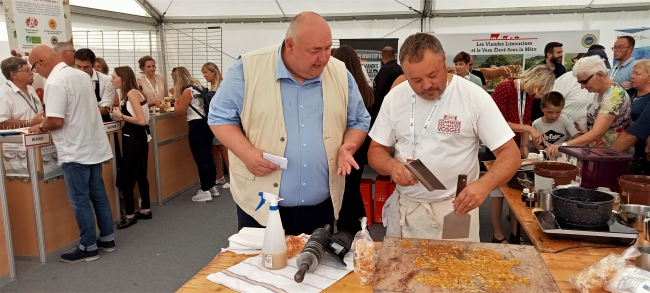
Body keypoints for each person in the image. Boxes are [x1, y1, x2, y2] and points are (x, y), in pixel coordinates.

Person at [208, 12, 371, 236]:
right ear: (290, 45)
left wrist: (348, 146)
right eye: (315, 50)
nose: (324, 58)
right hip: (260, 208)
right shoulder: (247, 69)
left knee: (314, 268)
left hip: (321, 208)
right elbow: (219, 117)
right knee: (260, 269)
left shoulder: (340, 72)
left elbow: (360, 120)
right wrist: (246, 153)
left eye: (327, 48)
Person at [367, 33, 520, 241]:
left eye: (433, 75)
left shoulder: (473, 97)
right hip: (408, 209)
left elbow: (510, 153)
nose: (426, 86)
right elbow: (376, 151)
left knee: (456, 268)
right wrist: (392, 167)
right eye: (416, 80)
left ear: (444, 60)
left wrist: (485, 185)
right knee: (405, 271)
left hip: (455, 209)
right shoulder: (395, 97)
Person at [27, 45, 115, 262]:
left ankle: (88, 247)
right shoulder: (81, 76)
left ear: (40, 62)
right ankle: (107, 239)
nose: (36, 73)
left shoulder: (55, 82)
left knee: (80, 200)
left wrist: (39, 127)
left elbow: (56, 120)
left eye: (34, 68)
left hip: (75, 150)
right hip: (92, 146)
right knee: (99, 196)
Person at [490, 64, 554, 244]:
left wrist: (524, 144)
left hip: (515, 143)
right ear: (535, 82)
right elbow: (498, 123)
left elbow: (524, 119)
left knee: (516, 190)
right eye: (541, 89)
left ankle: (515, 233)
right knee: (498, 190)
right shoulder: (505, 88)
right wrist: (528, 129)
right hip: (498, 143)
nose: (539, 94)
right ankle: (497, 234)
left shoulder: (528, 94)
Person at [547, 56, 633, 157]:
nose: (582, 86)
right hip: (599, 153)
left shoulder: (614, 96)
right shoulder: (600, 92)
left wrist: (563, 145)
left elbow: (597, 132)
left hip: (612, 156)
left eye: (584, 82)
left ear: (600, 75)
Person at [332, 45, 374, 236]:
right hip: (360, 149)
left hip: (343, 150)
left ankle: (349, 232)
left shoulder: (340, 89)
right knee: (353, 190)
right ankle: (360, 228)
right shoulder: (366, 90)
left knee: (344, 194)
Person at [109, 66, 151, 229]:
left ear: (123, 78)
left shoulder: (132, 93)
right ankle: (146, 208)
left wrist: (120, 116)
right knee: (140, 173)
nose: (112, 80)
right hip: (139, 137)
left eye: (114, 77)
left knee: (125, 176)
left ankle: (130, 214)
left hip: (134, 138)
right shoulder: (135, 92)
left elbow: (140, 120)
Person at [173, 66, 219, 202]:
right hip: (206, 123)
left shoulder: (187, 91)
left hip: (196, 126)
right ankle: (212, 186)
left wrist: (175, 98)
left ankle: (205, 190)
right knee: (208, 156)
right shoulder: (197, 86)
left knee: (201, 159)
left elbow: (179, 111)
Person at [553, 49, 607, 133]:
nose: (582, 86)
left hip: (588, 137)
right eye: (581, 82)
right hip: (562, 134)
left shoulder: (609, 93)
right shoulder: (566, 79)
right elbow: (550, 105)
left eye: (584, 81)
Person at [610, 60, 650, 174]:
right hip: (620, 147)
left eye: (637, 74)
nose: (632, 76)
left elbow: (636, 132)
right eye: (632, 73)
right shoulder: (629, 93)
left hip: (639, 152)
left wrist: (606, 157)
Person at [202, 62, 230, 189]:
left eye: (206, 72)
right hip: (211, 121)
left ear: (213, 72)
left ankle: (232, 178)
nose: (204, 75)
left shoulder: (223, 85)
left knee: (224, 149)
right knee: (215, 149)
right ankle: (219, 176)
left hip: (221, 120)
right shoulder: (210, 86)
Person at [0, 57, 44, 128]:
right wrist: (29, 123)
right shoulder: (3, 94)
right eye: (27, 70)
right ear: (13, 75)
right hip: (17, 139)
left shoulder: (31, 89)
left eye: (31, 70)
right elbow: (1, 123)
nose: (32, 73)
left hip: (38, 136)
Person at [74, 49, 114, 122]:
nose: (81, 70)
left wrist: (86, 119)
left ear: (93, 64)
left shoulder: (106, 80)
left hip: (100, 120)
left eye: (86, 67)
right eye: (78, 66)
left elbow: (106, 106)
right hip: (76, 121)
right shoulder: (69, 80)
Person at [372, 46, 403, 123]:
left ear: (382, 56)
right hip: (399, 108)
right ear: (394, 56)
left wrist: (378, 111)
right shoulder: (400, 69)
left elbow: (381, 92)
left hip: (386, 111)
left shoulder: (385, 70)